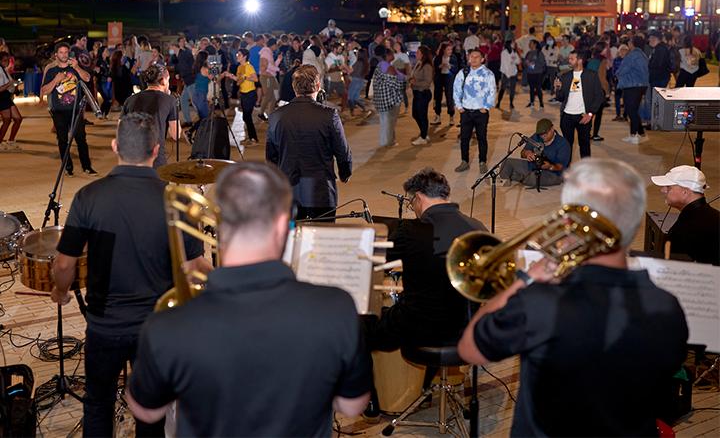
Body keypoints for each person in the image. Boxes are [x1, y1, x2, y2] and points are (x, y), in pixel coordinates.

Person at [127, 161, 370, 435]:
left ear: (217, 225)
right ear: (282, 224)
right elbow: (351, 406)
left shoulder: (166, 324)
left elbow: (146, 410)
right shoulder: (336, 309)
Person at [458, 159, 689, 437]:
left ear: (569, 223)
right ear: (635, 221)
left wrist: (527, 279)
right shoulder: (667, 306)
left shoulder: (542, 302)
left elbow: (470, 349)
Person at [50, 113, 210, 437]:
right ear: (156, 150)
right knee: (150, 413)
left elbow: (65, 264)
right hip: (155, 329)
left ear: (114, 147)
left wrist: (59, 291)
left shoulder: (89, 197)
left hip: (104, 325)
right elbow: (194, 268)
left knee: (97, 405)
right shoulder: (176, 201)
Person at [363, 167, 486, 418]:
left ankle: (370, 402)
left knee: (360, 327)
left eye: (411, 202)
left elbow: (370, 259)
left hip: (422, 331)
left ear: (418, 197)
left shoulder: (412, 232)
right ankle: (430, 382)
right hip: (467, 329)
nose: (413, 208)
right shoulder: (477, 227)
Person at [266, 65, 352, 220]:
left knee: (292, 239)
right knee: (321, 238)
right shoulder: (329, 115)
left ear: (294, 87)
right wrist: (345, 172)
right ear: (318, 86)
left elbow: (271, 157)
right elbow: (342, 151)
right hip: (320, 190)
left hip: (288, 191)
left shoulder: (276, 116)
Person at [40, 42, 96, 176]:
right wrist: (55, 80)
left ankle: (87, 167)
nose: (64, 55)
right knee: (63, 140)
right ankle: (68, 167)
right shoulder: (52, 71)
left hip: (76, 110)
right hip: (59, 111)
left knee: (81, 139)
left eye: (66, 52)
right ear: (56, 55)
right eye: (61, 52)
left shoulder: (74, 68)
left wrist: (77, 67)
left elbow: (87, 78)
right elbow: (44, 90)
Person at [651, 165, 719, 266]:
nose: (663, 190)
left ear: (685, 192)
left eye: (668, 187)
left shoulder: (685, 228)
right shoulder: (715, 217)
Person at [121, 64, 180, 168]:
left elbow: (121, 131)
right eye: (168, 80)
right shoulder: (169, 100)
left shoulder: (129, 100)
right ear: (163, 81)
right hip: (155, 159)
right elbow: (176, 135)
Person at [553, 49, 604, 159]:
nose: (569, 61)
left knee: (585, 145)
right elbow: (560, 98)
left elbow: (599, 96)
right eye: (569, 59)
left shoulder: (591, 75)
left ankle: (585, 171)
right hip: (567, 116)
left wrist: (590, 114)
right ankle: (566, 171)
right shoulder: (565, 76)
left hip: (583, 116)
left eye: (572, 59)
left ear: (580, 60)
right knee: (567, 146)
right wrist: (558, 89)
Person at [453, 49, 496, 173]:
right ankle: (464, 161)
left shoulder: (488, 74)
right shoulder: (463, 72)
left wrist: (486, 107)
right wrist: (459, 106)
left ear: (482, 59)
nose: (474, 59)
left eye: (477, 57)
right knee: (464, 138)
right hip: (466, 111)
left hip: (480, 112)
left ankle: (482, 162)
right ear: (468, 58)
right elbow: (456, 89)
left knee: (482, 137)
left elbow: (492, 91)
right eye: (472, 56)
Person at [498, 118, 571, 187]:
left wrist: (550, 166)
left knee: (533, 178)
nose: (543, 136)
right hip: (533, 166)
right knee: (507, 162)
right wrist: (527, 153)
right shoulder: (536, 137)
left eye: (545, 133)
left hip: (553, 173)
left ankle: (516, 176)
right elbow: (522, 153)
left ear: (552, 129)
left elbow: (561, 167)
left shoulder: (563, 144)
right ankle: (505, 180)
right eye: (541, 134)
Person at [616, 35, 649, 144]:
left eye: (630, 41)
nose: (628, 43)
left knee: (631, 110)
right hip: (641, 85)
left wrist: (617, 74)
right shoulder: (642, 54)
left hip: (632, 85)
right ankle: (641, 133)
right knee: (634, 110)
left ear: (633, 44)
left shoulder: (632, 55)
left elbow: (623, 69)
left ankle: (634, 135)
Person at [372, 48, 404, 148]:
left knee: (386, 121)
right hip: (388, 98)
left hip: (383, 98)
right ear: (387, 56)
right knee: (388, 121)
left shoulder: (382, 65)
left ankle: (389, 140)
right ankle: (386, 141)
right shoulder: (386, 66)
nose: (393, 55)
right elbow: (394, 80)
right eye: (391, 53)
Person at [225, 50, 259, 144]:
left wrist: (245, 77)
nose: (237, 56)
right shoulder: (240, 67)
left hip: (250, 94)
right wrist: (231, 76)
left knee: (247, 116)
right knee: (245, 117)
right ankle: (250, 137)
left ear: (245, 56)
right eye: (237, 54)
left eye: (239, 55)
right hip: (243, 94)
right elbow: (239, 80)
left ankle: (253, 138)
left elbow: (255, 79)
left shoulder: (248, 67)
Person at [409, 45, 434, 146]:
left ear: (423, 54)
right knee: (415, 114)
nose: (416, 54)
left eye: (418, 52)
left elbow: (427, 82)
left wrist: (414, 83)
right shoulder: (419, 64)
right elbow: (413, 76)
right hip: (417, 93)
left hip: (423, 93)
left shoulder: (427, 66)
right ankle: (424, 133)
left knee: (422, 115)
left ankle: (423, 137)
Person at [586, 44, 610, 142]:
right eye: (605, 49)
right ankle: (595, 134)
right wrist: (607, 90)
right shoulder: (603, 61)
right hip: (599, 89)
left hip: (590, 88)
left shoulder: (591, 60)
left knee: (590, 112)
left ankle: (587, 133)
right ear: (602, 50)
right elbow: (602, 77)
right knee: (599, 114)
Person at [0, 51, 23, 151]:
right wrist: (10, 84)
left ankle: (11, 141)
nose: (7, 62)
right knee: (7, 120)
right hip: (1, 97)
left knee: (18, 119)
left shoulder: (3, 69)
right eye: (5, 60)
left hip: (6, 97)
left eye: (8, 60)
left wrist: (14, 85)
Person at [431, 42, 458, 125]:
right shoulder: (438, 58)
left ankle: (451, 117)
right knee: (437, 96)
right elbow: (435, 68)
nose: (450, 51)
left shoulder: (453, 57)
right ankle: (437, 116)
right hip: (439, 78)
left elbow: (456, 68)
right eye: (448, 49)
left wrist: (449, 66)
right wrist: (440, 66)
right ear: (443, 50)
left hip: (449, 78)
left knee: (449, 96)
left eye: (451, 49)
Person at [172, 36, 195, 125]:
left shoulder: (185, 54)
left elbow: (187, 67)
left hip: (191, 80)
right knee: (183, 99)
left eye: (172, 47)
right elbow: (178, 67)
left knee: (195, 101)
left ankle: (204, 118)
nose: (171, 49)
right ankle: (188, 120)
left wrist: (180, 74)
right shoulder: (177, 56)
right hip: (187, 80)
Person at [496, 41, 520, 111]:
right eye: (512, 43)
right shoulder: (504, 52)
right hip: (506, 73)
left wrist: (514, 59)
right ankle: (498, 102)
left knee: (512, 89)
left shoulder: (514, 52)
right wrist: (508, 74)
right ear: (508, 44)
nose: (514, 44)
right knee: (503, 88)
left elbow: (518, 61)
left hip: (513, 73)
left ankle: (511, 103)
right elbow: (505, 64)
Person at [524, 39, 546, 109]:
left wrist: (532, 65)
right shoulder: (528, 53)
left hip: (537, 73)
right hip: (530, 73)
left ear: (535, 44)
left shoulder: (539, 53)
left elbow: (542, 63)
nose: (529, 44)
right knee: (531, 88)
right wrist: (526, 63)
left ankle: (541, 104)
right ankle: (531, 102)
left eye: (531, 43)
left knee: (538, 88)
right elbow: (525, 62)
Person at [190, 50, 211, 121]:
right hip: (201, 96)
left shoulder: (197, 67)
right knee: (205, 118)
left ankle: (193, 131)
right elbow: (214, 78)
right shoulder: (204, 69)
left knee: (202, 118)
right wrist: (223, 75)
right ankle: (192, 131)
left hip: (196, 94)